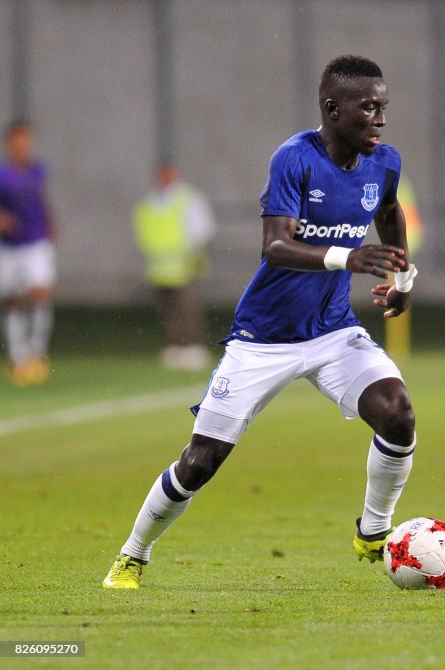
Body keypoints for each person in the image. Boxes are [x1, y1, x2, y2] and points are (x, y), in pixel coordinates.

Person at [103, 54, 419, 588]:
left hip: (334, 330)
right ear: (333, 108)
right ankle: (132, 555)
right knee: (201, 461)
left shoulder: (385, 162)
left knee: (398, 414)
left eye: (384, 108)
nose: (381, 120)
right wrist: (349, 258)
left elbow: (389, 211)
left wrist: (403, 279)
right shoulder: (294, 158)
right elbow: (274, 246)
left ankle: (374, 530)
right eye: (369, 108)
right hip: (263, 339)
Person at [133, 159, 216, 370]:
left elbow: (203, 230)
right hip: (159, 268)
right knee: (168, 311)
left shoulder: (187, 199)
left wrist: (196, 258)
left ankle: (194, 346)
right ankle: (175, 346)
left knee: (187, 308)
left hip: (184, 266)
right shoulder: (149, 202)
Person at [0, 120, 57, 386]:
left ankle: (36, 353)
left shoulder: (37, 171)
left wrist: (50, 221)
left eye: (25, 141)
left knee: (39, 292)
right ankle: (18, 356)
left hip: (36, 241)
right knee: (11, 299)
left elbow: (40, 198)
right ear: (10, 144)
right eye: (17, 142)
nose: (22, 146)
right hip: (10, 246)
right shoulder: (3, 174)